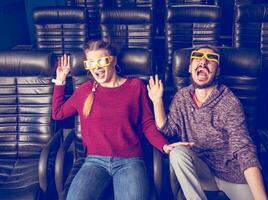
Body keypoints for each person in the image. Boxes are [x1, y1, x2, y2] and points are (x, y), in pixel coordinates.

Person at [52, 39, 185, 200]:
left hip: (130, 161)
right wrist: (60, 80)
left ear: (113, 60)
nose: (97, 68)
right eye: (91, 63)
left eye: (101, 61)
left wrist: (164, 146)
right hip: (94, 161)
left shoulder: (136, 87)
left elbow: (147, 124)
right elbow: (58, 114)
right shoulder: (84, 90)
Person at [147, 46, 268, 200]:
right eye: (198, 57)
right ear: (190, 68)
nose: (203, 61)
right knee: (177, 153)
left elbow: (243, 148)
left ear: (217, 71)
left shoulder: (229, 102)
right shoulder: (182, 97)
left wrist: (261, 198)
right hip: (201, 172)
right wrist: (157, 101)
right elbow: (168, 129)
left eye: (211, 59)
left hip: (230, 174)